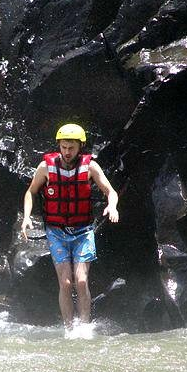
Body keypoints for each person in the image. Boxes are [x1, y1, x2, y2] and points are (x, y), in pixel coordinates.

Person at [20, 123, 119, 327]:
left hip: (83, 231)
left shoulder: (90, 166)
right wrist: (27, 217)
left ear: (79, 147)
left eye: (71, 148)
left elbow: (111, 191)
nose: (66, 152)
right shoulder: (45, 167)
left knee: (81, 281)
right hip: (56, 232)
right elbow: (31, 191)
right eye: (63, 147)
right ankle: (68, 327)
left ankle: (83, 327)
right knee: (65, 283)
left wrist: (113, 207)